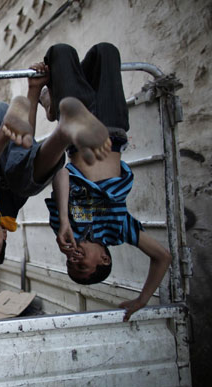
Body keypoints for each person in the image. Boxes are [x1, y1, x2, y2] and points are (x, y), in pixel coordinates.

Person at [0, 61, 111, 274]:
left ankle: (5, 131)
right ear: (4, 236)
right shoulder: (11, 210)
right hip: (10, 118)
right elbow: (24, 155)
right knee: (23, 185)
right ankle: (65, 130)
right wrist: (34, 88)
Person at [41, 43, 171, 321]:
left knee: (60, 51)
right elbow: (163, 257)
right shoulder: (119, 230)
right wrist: (142, 299)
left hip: (78, 135)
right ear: (104, 259)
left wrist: (64, 219)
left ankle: (59, 105)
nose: (74, 262)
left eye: (70, 266)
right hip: (112, 129)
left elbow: (61, 173)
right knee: (106, 51)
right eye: (82, 268)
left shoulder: (67, 228)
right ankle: (54, 103)